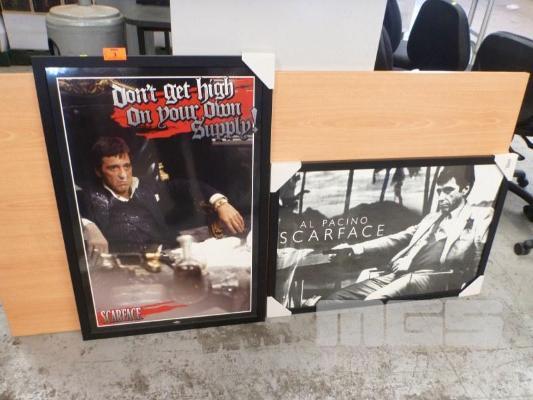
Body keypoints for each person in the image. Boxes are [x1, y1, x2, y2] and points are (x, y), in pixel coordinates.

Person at [326, 165, 493, 300]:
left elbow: (475, 260)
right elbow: (397, 238)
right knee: (338, 297)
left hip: (434, 279)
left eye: (448, 190)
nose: (441, 197)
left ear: (465, 189)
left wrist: (411, 264)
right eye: (439, 191)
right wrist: (355, 248)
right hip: (400, 275)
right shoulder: (431, 218)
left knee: (374, 300)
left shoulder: (480, 216)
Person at [81, 136, 245, 255]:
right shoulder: (90, 196)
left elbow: (186, 186)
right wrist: (88, 226)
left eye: (127, 166)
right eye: (113, 168)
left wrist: (220, 203)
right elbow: (70, 213)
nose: (123, 175)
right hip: (129, 270)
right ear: (98, 171)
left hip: (169, 254)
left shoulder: (146, 187)